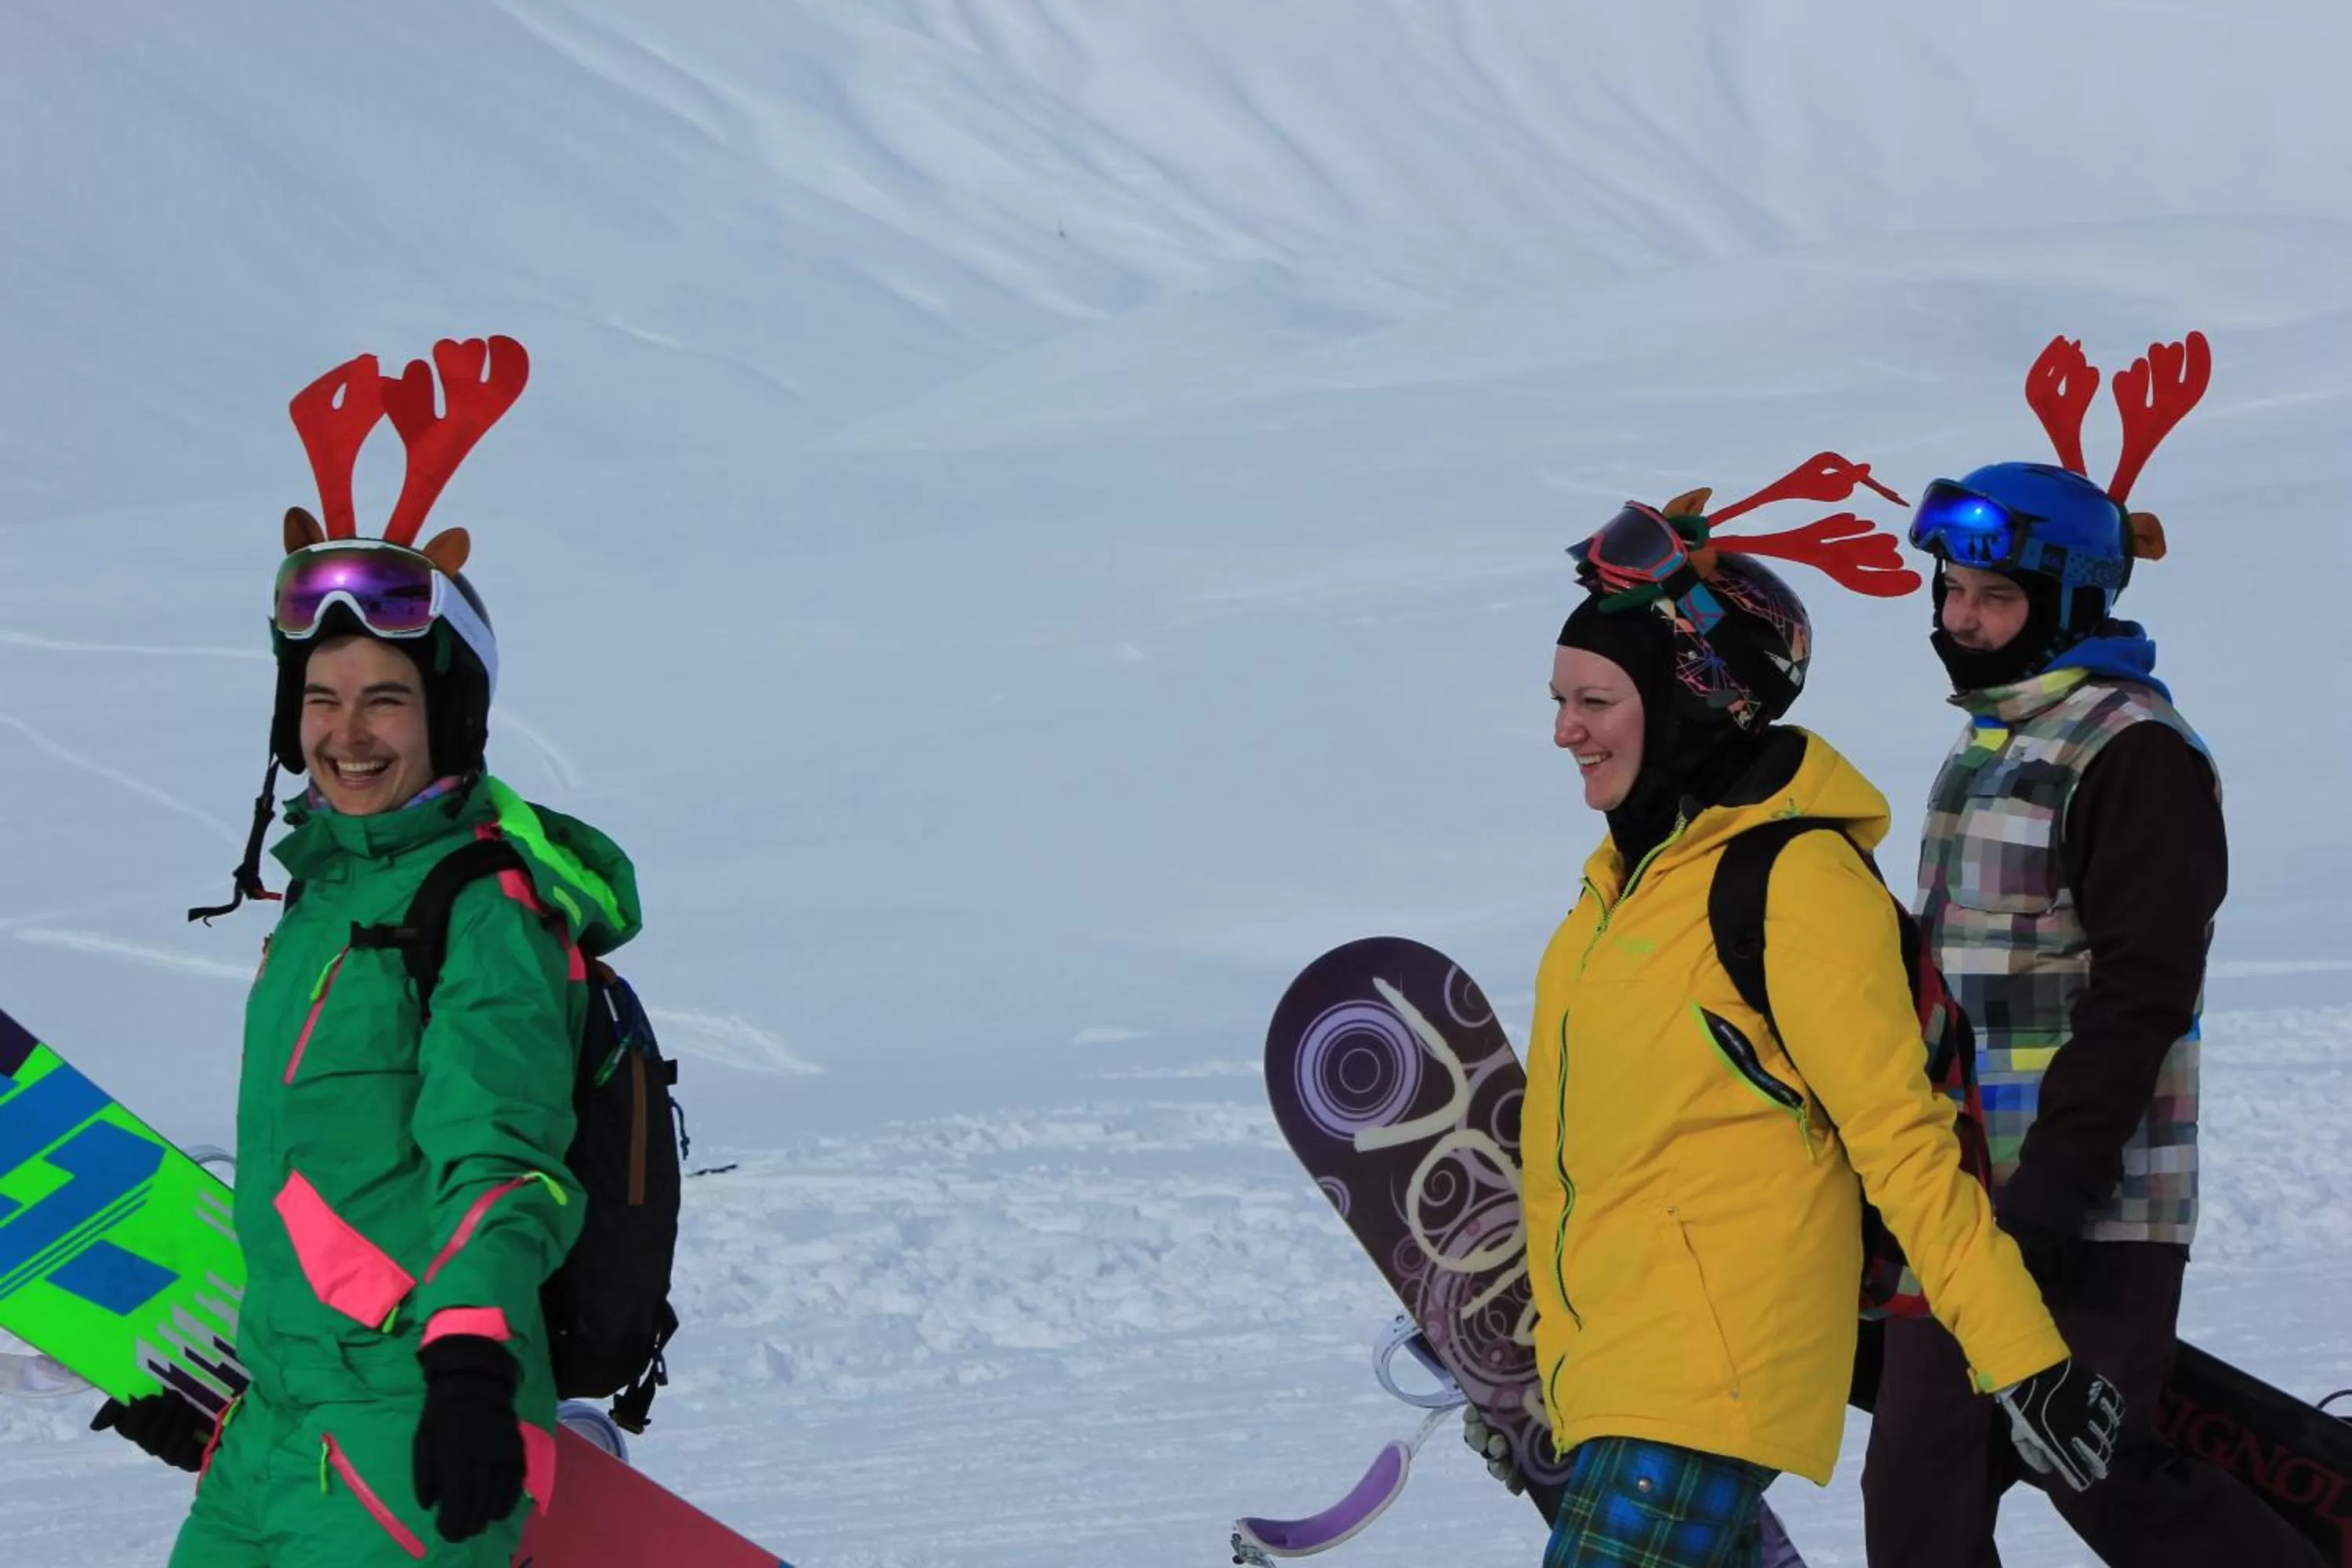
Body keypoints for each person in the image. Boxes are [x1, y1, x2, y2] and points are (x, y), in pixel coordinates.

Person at [1486, 455, 2123, 1567]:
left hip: (1710, 1369)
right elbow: (1598, 1164)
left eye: (1594, 702)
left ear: (1691, 696)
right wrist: (1543, 1369)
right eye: (1559, 702)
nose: (1566, 733)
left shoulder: (1793, 882)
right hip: (1618, 1375)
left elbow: (1905, 1139)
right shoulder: (1614, 895)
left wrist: (2027, 1359)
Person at [89, 337, 643, 1566]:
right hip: (271, 1426)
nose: (347, 733)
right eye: (322, 698)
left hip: (403, 1428)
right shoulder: (324, 901)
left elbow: (501, 1163)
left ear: (447, 716)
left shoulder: (482, 907)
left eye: (384, 698)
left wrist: (466, 1363)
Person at [1861, 334, 2322, 1566]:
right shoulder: (1983, 748)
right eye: (1950, 595)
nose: (1961, 622)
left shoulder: (2133, 753)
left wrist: (2060, 1184)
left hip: (2089, 1201)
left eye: (1993, 599)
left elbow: (2145, 989)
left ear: (2067, 603)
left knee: (2094, 1467)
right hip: (1953, 1200)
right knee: (1916, 1488)